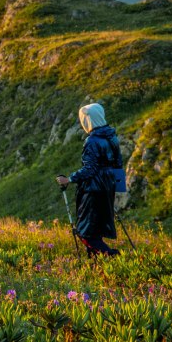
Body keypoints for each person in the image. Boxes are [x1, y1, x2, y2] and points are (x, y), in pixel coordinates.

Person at [56, 103, 121, 257]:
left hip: (93, 190)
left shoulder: (92, 141)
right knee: (95, 231)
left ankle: (111, 256)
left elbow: (89, 169)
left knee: (86, 233)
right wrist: (116, 189)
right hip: (107, 187)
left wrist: (69, 179)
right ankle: (97, 264)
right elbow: (118, 163)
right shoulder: (112, 137)